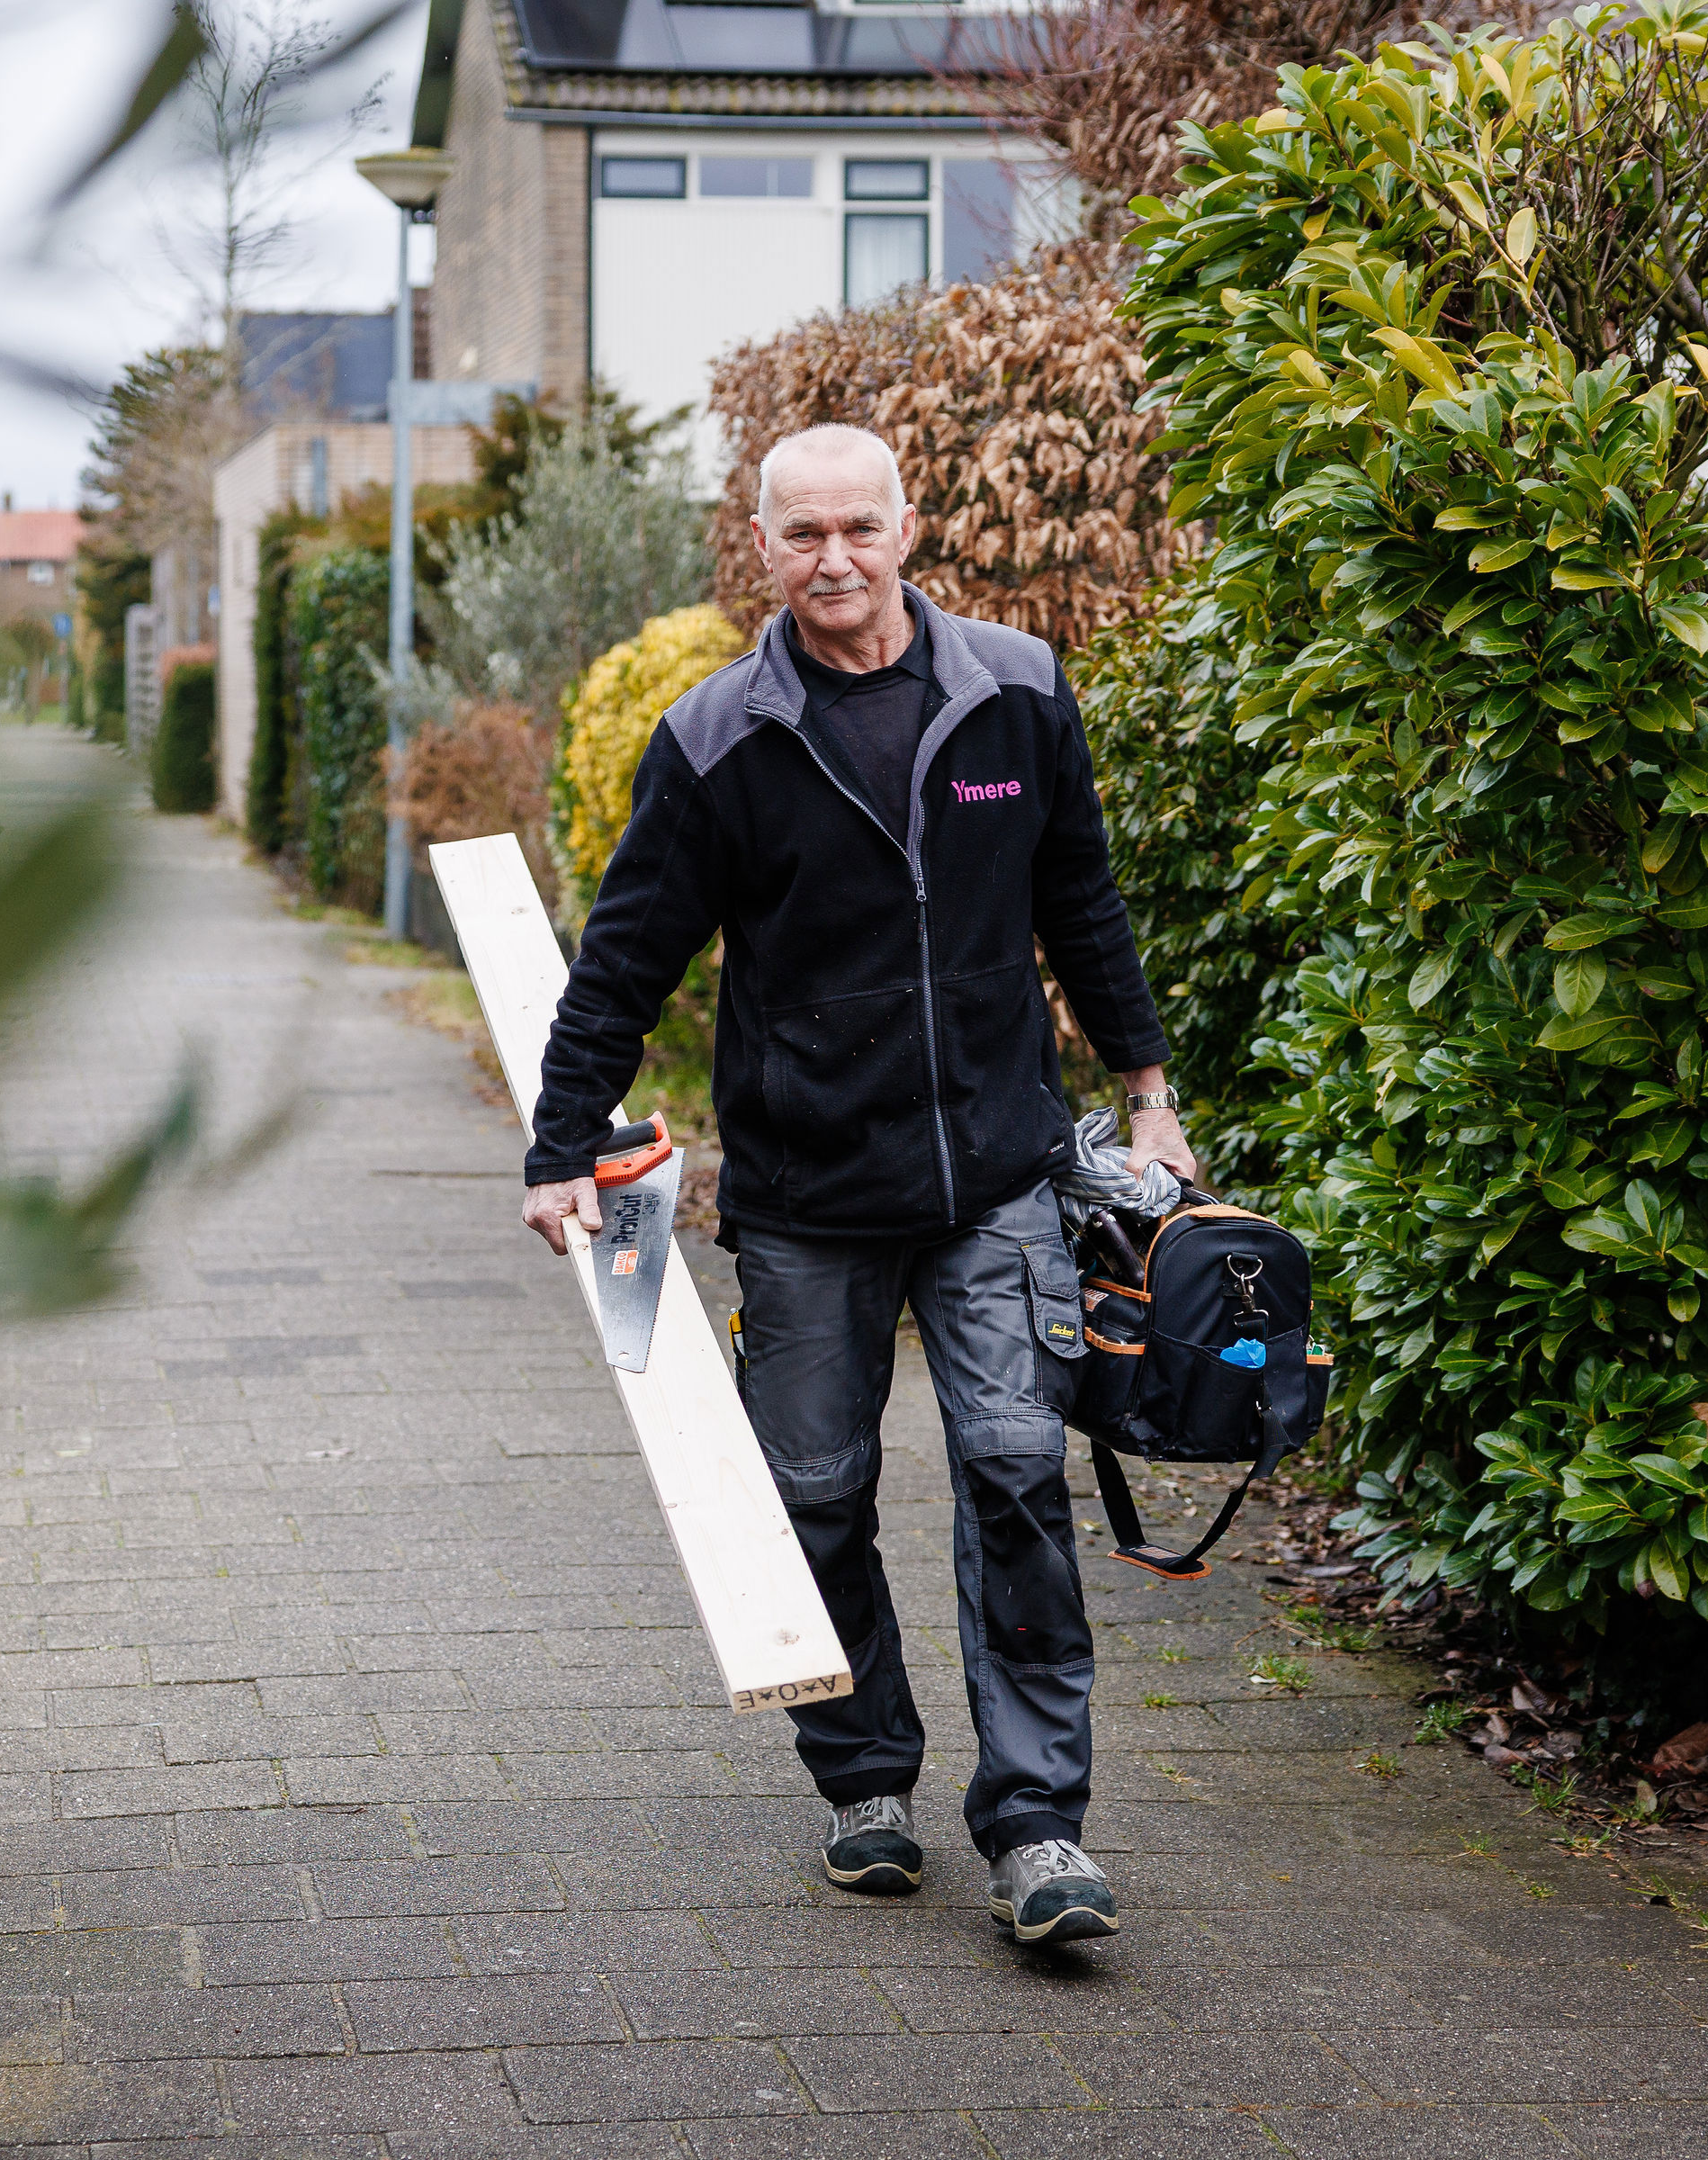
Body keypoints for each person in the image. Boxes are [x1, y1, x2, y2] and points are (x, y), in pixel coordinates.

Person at [521, 424, 1194, 1948]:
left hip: (996, 1180)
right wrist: (562, 1147)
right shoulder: (714, 741)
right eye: (803, 533)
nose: (836, 559)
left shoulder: (1013, 691)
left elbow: (1080, 898)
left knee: (1017, 1479)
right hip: (809, 1192)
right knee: (814, 1499)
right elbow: (625, 959)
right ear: (759, 544)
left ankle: (1036, 1824)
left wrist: (1148, 1097)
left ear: (909, 526)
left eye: (860, 529)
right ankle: (865, 1779)